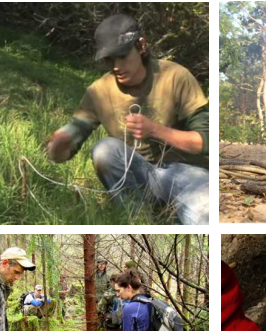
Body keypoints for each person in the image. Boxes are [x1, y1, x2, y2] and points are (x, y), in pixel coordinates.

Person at [44, 14, 209, 225]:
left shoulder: (175, 76)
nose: (116, 66)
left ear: (141, 46)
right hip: (136, 174)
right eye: (109, 59)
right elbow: (63, 150)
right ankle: (138, 218)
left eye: (121, 56)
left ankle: (171, 213)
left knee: (206, 217)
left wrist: (156, 130)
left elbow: (204, 142)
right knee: (104, 150)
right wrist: (58, 146)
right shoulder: (99, 91)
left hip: (185, 173)